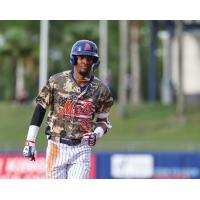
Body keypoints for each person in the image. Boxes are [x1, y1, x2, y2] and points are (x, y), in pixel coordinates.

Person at [23, 39, 114, 179]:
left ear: (94, 61)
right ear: (74, 59)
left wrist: (96, 134)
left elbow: (103, 121)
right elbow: (40, 108)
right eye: (81, 57)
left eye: (89, 58)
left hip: (82, 147)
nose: (85, 61)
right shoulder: (57, 81)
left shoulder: (102, 90)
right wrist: (30, 140)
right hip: (56, 145)